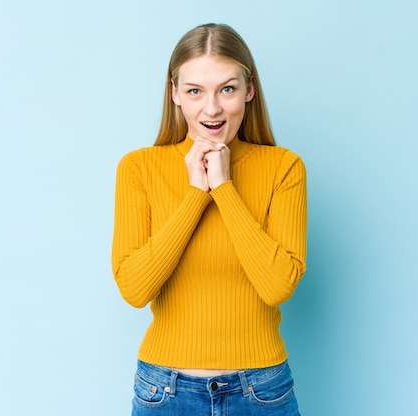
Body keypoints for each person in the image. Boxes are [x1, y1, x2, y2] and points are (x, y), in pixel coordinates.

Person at [111, 23, 307, 415]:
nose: (212, 108)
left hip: (261, 390)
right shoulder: (138, 169)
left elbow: (276, 286)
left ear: (249, 90)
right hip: (165, 392)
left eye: (227, 89)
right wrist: (196, 194)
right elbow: (134, 288)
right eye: (195, 91)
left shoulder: (284, 168)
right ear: (175, 93)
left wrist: (223, 187)